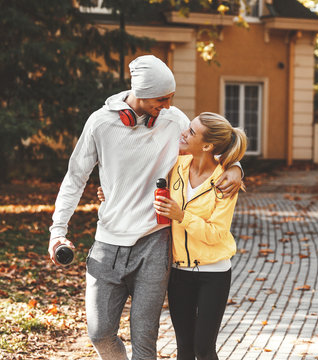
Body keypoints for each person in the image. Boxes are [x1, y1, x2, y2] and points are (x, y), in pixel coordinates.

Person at [48, 55, 243, 360]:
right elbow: (75, 177)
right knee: (99, 333)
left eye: (171, 98)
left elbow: (209, 144)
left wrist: (236, 167)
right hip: (108, 244)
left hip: (154, 243)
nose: (167, 105)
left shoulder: (173, 119)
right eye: (162, 98)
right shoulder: (100, 124)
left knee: (144, 340)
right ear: (141, 92)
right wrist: (57, 231)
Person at [99, 112, 247, 360]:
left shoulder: (224, 182)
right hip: (178, 272)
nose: (183, 133)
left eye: (191, 132)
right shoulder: (177, 166)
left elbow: (216, 234)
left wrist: (182, 216)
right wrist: (113, 196)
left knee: (203, 348)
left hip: (213, 273)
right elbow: (142, 183)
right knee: (185, 350)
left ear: (208, 145)